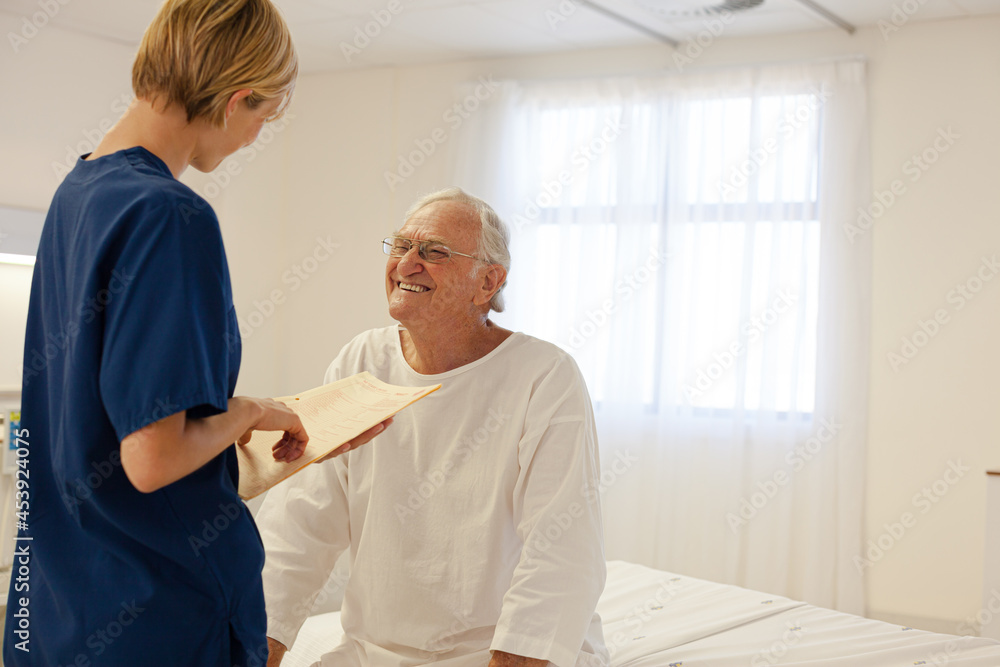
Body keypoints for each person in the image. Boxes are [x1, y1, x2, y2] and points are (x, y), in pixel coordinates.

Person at [2, 1, 385, 665]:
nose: (253, 137)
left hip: (62, 608)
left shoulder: (77, 193)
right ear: (239, 98)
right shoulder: (169, 216)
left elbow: (106, 434)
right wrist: (252, 410)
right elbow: (152, 460)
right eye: (264, 117)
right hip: (160, 614)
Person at [257, 187, 610, 667]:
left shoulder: (545, 376)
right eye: (401, 246)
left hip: (499, 653)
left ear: (488, 282)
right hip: (373, 653)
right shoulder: (361, 361)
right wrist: (260, 649)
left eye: (434, 252)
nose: (406, 264)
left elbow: (562, 550)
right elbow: (298, 526)